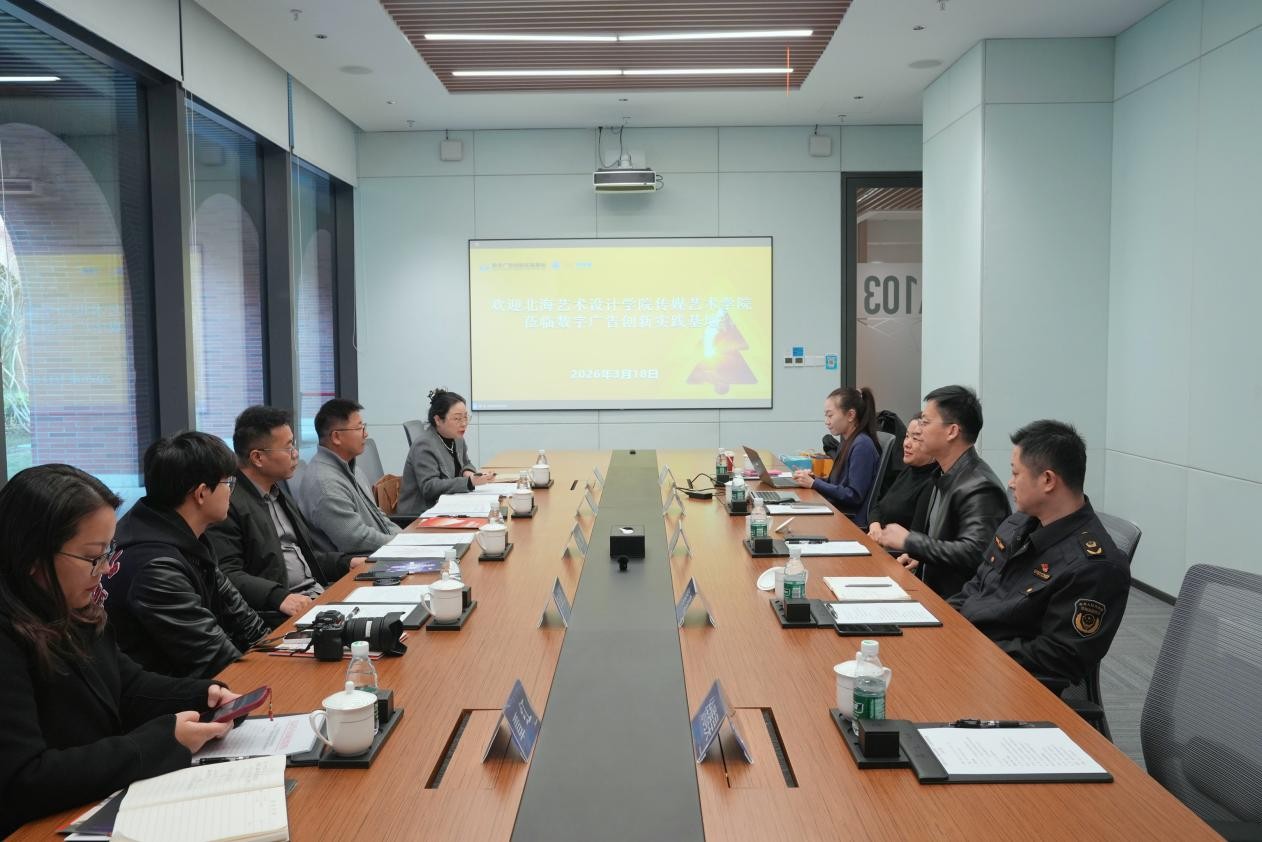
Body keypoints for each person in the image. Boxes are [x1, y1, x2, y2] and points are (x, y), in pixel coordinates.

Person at [0, 465, 241, 836]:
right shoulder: (9, 634)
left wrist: (203, 694)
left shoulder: (71, 607)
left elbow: (126, 685)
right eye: (93, 556)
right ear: (32, 555)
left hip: (90, 802)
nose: (106, 568)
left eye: (108, 551)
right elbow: (25, 778)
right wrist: (160, 742)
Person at [949, 420, 1130, 691]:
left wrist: (971, 646)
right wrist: (942, 623)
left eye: (1015, 473)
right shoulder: (1018, 524)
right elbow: (977, 586)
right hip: (968, 654)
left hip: (1006, 684)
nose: (1010, 483)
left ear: (1047, 480)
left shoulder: (1094, 567)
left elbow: (1057, 657)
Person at [107, 433, 270, 678]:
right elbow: (214, 659)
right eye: (228, 483)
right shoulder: (156, 567)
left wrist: (280, 654)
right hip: (168, 695)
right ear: (201, 493)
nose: (231, 492)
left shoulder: (181, 535)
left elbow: (244, 620)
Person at [207, 406, 368, 629]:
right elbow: (227, 575)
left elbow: (304, 556)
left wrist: (346, 562)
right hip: (280, 614)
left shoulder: (277, 492)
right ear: (258, 457)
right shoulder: (227, 504)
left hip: (316, 597)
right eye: (288, 447)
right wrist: (278, 597)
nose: (296, 453)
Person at [873, 385, 1009, 598]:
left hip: (957, 604)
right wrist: (920, 556)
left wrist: (911, 542)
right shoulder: (943, 473)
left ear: (952, 431)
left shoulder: (980, 486)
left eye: (925, 423)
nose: (919, 430)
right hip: (932, 591)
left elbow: (975, 552)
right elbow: (945, 542)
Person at [294, 398, 415, 553]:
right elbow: (356, 539)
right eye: (359, 428)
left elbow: (378, 516)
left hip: (381, 552)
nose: (366, 434)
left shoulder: (352, 467)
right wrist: (403, 543)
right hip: (360, 562)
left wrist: (405, 538)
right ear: (336, 437)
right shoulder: (325, 484)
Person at [397, 388, 497, 514]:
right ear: (438, 420)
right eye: (457, 419)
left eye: (465, 417)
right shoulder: (424, 444)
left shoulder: (457, 438)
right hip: (421, 514)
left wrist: (469, 473)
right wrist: (469, 482)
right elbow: (429, 488)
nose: (464, 423)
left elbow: (466, 463)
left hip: (448, 506)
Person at [791, 386, 881, 526]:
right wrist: (813, 479)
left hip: (848, 520)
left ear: (850, 415)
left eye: (830, 415)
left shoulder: (862, 446)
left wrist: (814, 484)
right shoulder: (848, 441)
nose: (826, 421)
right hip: (838, 511)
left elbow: (853, 496)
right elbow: (836, 483)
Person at [867, 413, 937, 535]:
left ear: (933, 444)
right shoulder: (908, 470)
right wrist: (875, 525)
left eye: (915, 439)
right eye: (907, 436)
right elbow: (878, 508)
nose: (906, 444)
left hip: (892, 545)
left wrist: (882, 537)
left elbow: (915, 537)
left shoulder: (931, 483)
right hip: (878, 537)